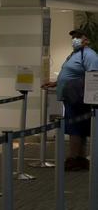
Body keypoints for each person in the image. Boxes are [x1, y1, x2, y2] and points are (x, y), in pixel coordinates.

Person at [42, 30, 98, 171]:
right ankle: (80, 158)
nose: (75, 39)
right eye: (74, 37)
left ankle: (73, 158)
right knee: (79, 128)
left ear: (87, 40)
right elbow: (70, 73)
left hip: (78, 98)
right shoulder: (75, 54)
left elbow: (93, 76)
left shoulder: (89, 55)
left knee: (75, 128)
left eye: (79, 37)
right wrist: (56, 83)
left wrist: (86, 94)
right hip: (71, 96)